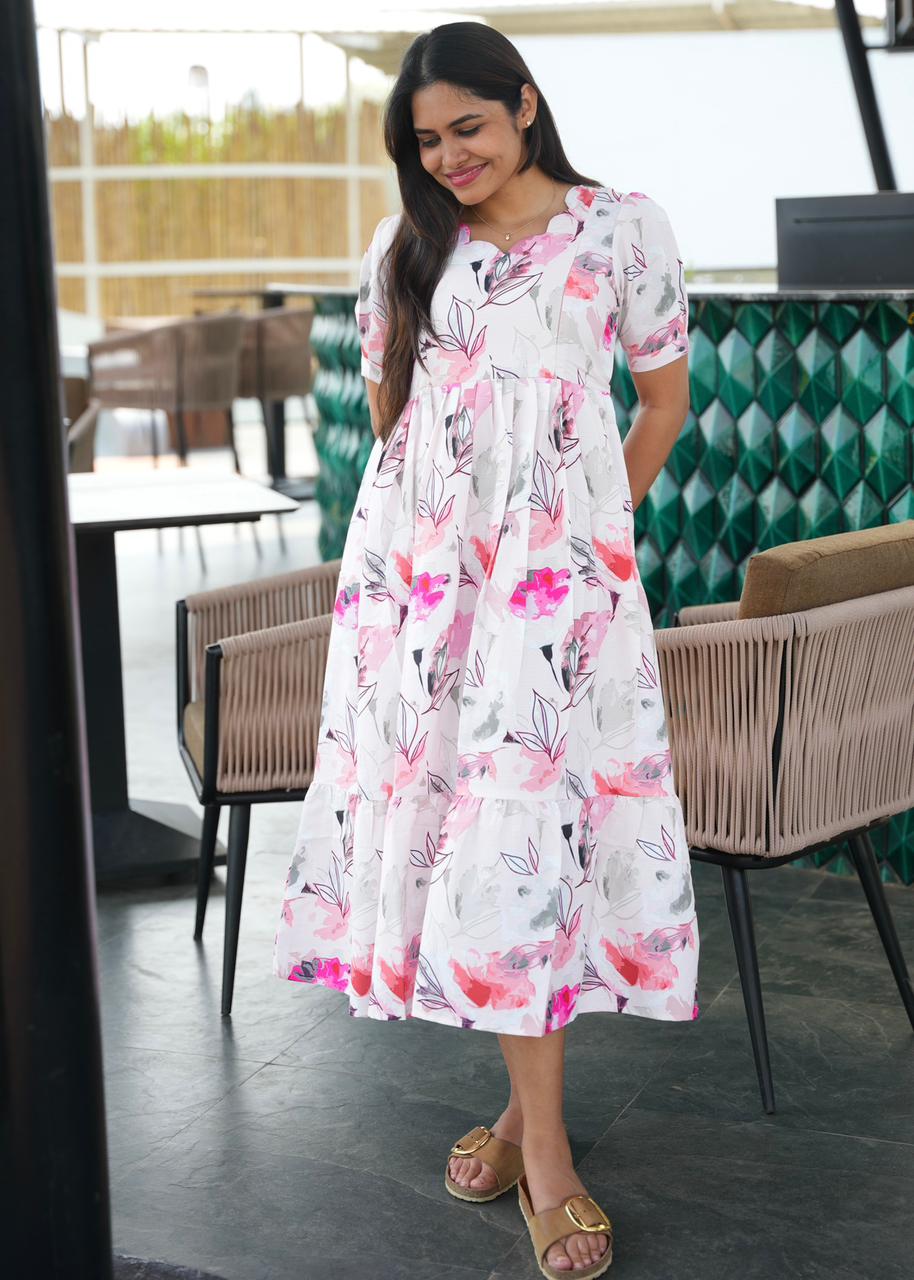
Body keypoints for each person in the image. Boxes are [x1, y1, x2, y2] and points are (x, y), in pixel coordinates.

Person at [273, 20, 699, 1279]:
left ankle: (540, 1149)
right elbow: (394, 419)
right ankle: (528, 1132)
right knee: (478, 836)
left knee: (531, 834)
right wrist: (423, 565)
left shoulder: (623, 229)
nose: (447, 156)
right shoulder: (402, 248)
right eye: (424, 140)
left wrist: (585, 541)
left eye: (466, 126)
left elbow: (662, 402)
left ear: (522, 104)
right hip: (420, 588)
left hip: (556, 589)